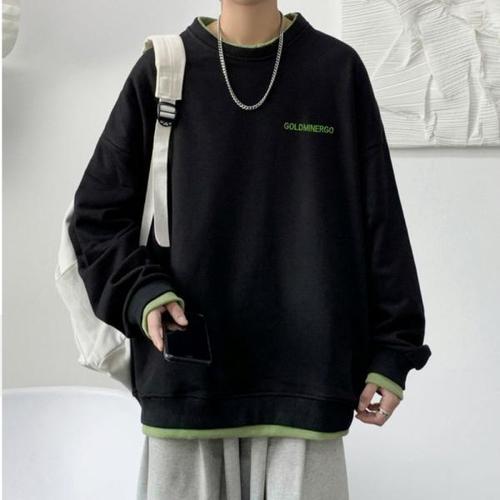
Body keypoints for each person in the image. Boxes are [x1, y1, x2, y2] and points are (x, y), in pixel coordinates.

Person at [68, 1, 432, 498]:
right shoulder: (163, 70)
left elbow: (380, 222)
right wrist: (142, 292)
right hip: (188, 382)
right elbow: (96, 216)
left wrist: (393, 351)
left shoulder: (335, 70)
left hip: (307, 385)